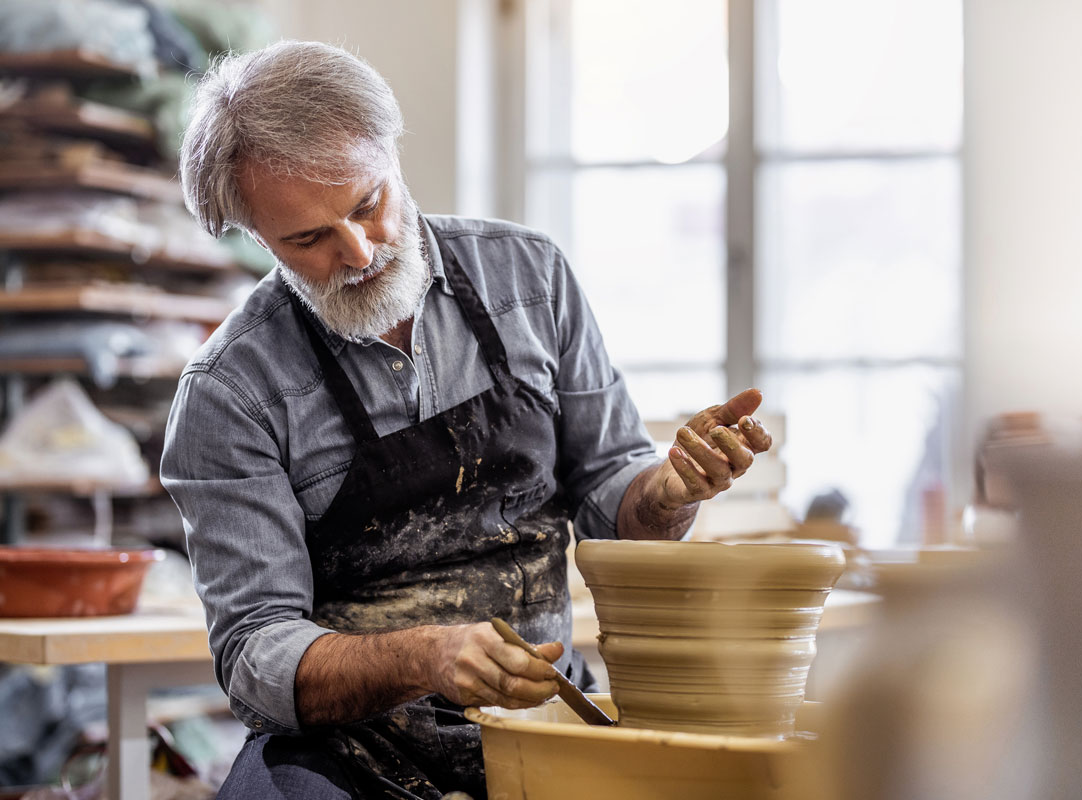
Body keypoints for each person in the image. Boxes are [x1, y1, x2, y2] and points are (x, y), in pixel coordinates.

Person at [161, 40, 773, 800]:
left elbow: (614, 502)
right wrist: (424, 657)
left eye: (367, 204)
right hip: (345, 754)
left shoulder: (530, 280)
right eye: (308, 239)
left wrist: (672, 491)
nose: (358, 251)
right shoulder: (230, 393)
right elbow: (258, 656)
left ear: (392, 152)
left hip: (542, 714)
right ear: (257, 237)